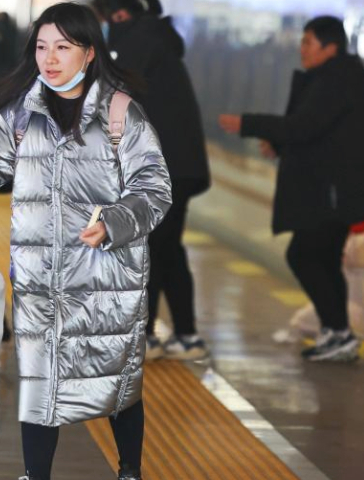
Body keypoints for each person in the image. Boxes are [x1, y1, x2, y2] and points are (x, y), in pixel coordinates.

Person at [0, 3, 172, 479]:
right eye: (42, 47)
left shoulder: (121, 113)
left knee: (116, 383)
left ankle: (130, 471)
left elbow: (155, 188)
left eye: (63, 47)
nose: (50, 58)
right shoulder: (26, 111)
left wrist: (115, 221)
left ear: (88, 54)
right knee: (39, 384)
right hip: (40, 282)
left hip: (106, 279)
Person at [219, 16, 364, 362]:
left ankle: (339, 332)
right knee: (324, 260)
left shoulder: (337, 80)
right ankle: (337, 332)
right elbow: (322, 133)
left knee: (304, 255)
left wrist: (249, 124)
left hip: (331, 192)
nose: (302, 50)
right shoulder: (333, 78)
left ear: (330, 47)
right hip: (328, 187)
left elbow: (305, 126)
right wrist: (280, 145)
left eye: (308, 43)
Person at [104, 0, 211, 360]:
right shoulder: (155, 36)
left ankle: (147, 336)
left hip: (165, 167)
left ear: (119, 14)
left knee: (149, 248)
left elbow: (113, 93)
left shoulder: (139, 40)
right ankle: (186, 335)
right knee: (167, 248)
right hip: (177, 166)